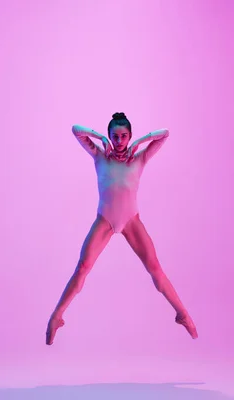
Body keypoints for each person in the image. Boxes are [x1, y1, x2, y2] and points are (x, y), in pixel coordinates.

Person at [46, 112, 198, 345]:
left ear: (129, 137)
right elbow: (76, 129)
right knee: (82, 268)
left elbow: (164, 134)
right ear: (108, 137)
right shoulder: (99, 155)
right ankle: (56, 316)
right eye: (114, 137)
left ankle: (182, 314)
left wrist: (138, 143)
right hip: (105, 220)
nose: (119, 142)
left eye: (124, 136)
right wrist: (99, 138)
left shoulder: (139, 159)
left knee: (155, 270)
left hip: (131, 221)